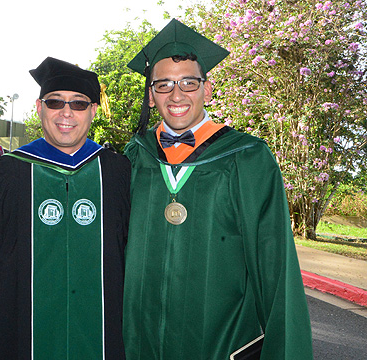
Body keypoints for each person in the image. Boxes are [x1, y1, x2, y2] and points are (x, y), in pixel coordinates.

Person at [121, 19, 313, 359]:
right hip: (140, 343)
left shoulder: (248, 158)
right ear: (151, 96)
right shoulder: (136, 156)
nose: (176, 95)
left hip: (220, 343)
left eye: (188, 83)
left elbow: (276, 269)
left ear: (207, 90)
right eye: (163, 84)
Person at [0, 57, 130, 359]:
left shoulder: (117, 173)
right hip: (23, 328)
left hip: (102, 331)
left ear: (93, 110)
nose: (66, 112)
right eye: (55, 102)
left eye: (79, 104)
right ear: (39, 106)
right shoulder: (6, 174)